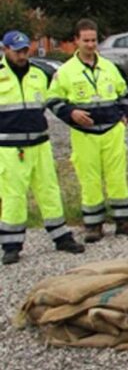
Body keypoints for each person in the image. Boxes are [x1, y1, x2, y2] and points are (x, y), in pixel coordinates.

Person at [47, 19, 128, 242]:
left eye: (94, 40)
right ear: (76, 41)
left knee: (117, 177)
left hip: (112, 131)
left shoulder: (109, 67)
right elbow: (52, 99)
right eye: (86, 40)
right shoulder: (66, 71)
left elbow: (124, 93)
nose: (91, 45)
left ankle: (124, 222)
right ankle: (94, 224)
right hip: (85, 134)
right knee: (89, 179)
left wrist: (124, 116)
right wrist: (71, 113)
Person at [0, 31, 85, 263]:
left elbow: (54, 102)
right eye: (17, 50)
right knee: (13, 196)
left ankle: (61, 237)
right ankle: (11, 245)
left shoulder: (39, 74)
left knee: (49, 191)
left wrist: (72, 114)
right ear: (5, 49)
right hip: (10, 148)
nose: (22, 54)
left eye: (25, 50)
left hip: (40, 144)